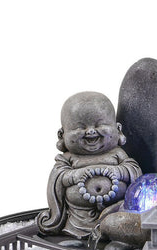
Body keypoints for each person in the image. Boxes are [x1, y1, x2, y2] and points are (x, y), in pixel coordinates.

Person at [37, 92, 142, 238]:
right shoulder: (68, 159)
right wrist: (75, 175)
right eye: (79, 127)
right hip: (78, 223)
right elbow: (58, 177)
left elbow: (134, 170)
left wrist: (117, 171)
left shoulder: (117, 154)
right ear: (62, 134)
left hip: (117, 219)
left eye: (100, 125)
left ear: (118, 129)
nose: (91, 131)